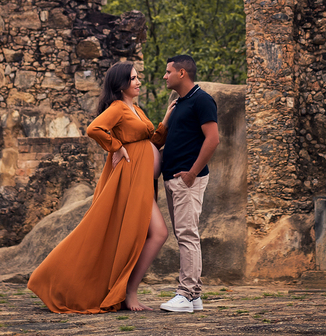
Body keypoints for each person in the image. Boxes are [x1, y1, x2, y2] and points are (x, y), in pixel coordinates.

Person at [27, 61, 172, 313]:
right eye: (133, 79)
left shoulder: (136, 108)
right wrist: (116, 146)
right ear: (120, 84)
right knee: (155, 233)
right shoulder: (117, 107)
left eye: (138, 77)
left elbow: (152, 139)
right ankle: (127, 292)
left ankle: (127, 290)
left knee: (149, 235)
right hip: (130, 178)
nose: (138, 82)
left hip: (142, 180)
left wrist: (169, 116)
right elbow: (94, 128)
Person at [158, 54, 220, 314]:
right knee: (184, 234)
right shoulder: (179, 102)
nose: (165, 76)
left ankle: (184, 293)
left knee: (187, 235)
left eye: (168, 71)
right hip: (173, 178)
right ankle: (194, 296)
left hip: (187, 179)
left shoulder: (202, 100)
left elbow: (213, 139)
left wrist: (192, 173)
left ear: (182, 73)